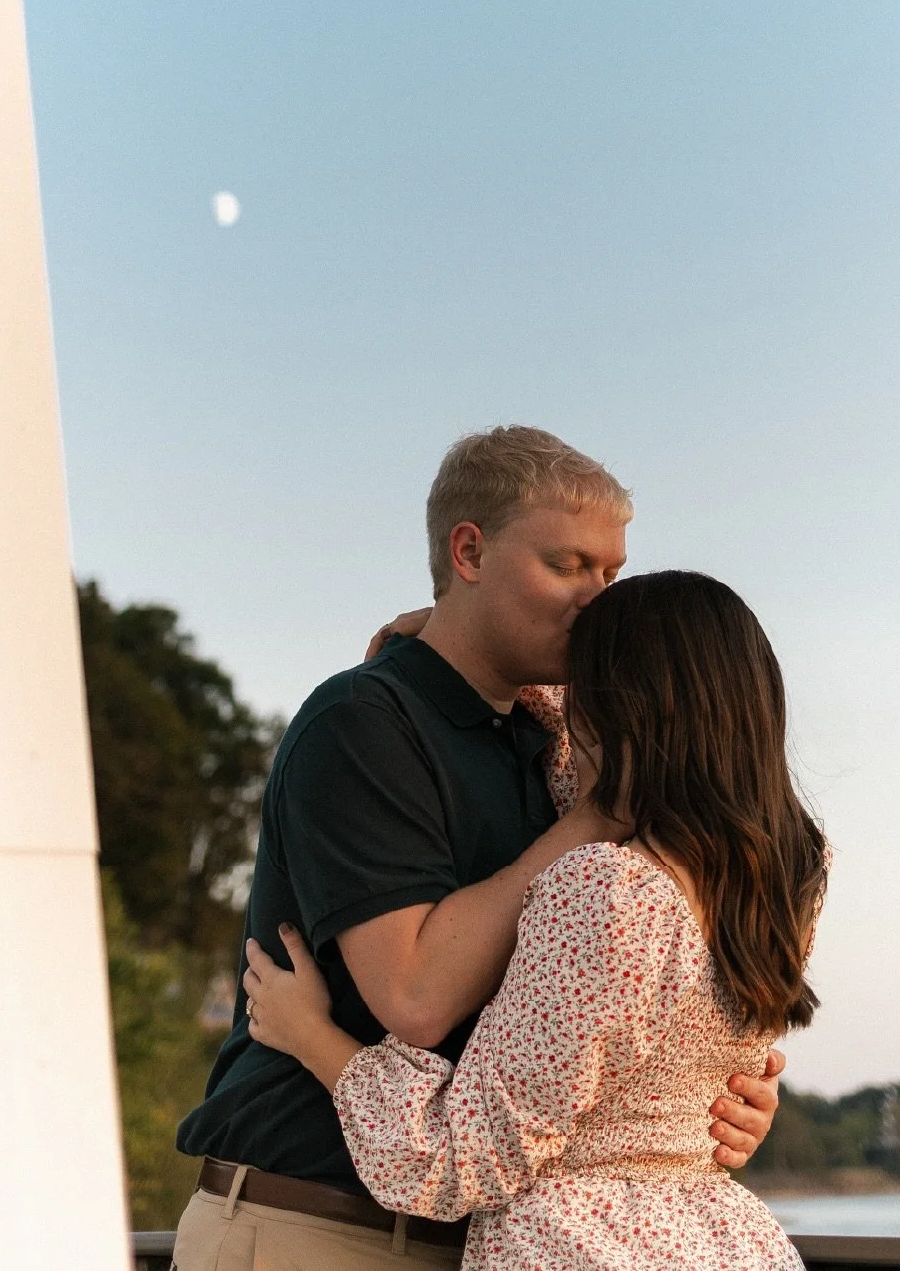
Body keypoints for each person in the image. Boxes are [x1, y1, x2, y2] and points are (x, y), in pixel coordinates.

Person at [173, 428, 783, 1270]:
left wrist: (707, 1100)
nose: (598, 600)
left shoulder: (563, 745)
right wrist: (593, 820)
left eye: (610, 574)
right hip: (320, 1227)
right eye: (568, 565)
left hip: (483, 1228)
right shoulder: (366, 724)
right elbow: (416, 999)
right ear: (469, 551)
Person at [243, 570, 828, 1270]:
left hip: (583, 1247)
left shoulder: (608, 894)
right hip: (723, 1244)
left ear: (620, 708)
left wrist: (311, 1036)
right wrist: (451, 630)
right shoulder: (788, 876)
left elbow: (456, 1159)